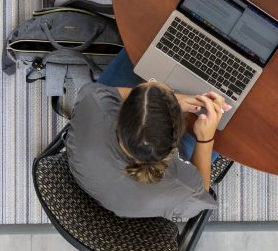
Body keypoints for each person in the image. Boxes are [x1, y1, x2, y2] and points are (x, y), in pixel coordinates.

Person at [64, 49, 230, 219]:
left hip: (97, 176)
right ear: (177, 137)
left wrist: (170, 100)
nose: (154, 83)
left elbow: (106, 93)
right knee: (230, 131)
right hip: (128, 197)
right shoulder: (183, 186)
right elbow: (201, 193)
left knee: (137, 56)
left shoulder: (95, 103)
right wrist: (205, 138)